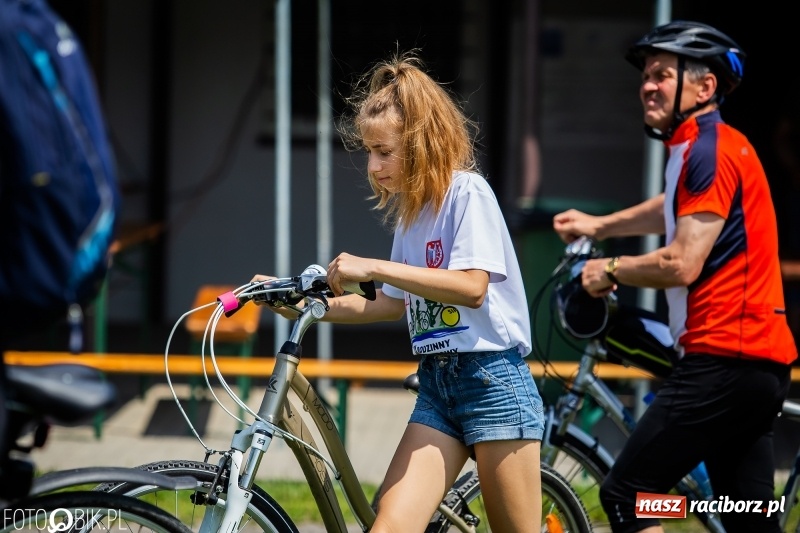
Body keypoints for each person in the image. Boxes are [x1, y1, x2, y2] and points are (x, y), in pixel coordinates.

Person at [254, 53, 544, 532]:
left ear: (422, 142)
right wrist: (308, 307)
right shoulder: (413, 215)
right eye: (368, 151)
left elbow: (472, 289)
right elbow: (391, 301)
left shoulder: (466, 193)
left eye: (383, 151)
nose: (372, 165)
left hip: (494, 383)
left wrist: (375, 265)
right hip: (438, 385)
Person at [553, 20, 798, 533]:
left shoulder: (709, 151)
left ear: (705, 87)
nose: (647, 84)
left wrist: (609, 268)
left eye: (663, 74)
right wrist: (600, 225)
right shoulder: (703, 148)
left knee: (627, 496)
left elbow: (682, 260)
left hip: (722, 358)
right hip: (758, 365)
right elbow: (671, 209)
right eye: (646, 75)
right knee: (751, 517)